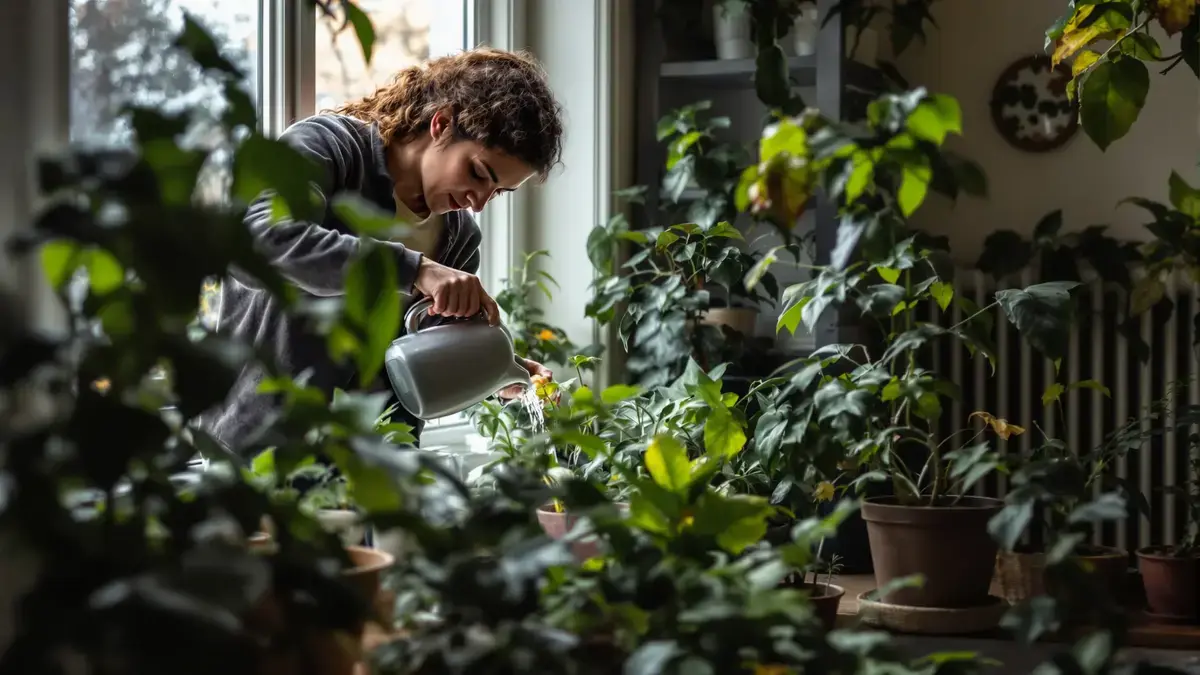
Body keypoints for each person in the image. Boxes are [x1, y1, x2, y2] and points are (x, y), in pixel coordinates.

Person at [203, 47, 565, 454]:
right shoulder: (330, 148)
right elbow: (259, 242)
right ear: (441, 123)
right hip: (265, 446)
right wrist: (413, 270)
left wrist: (496, 369)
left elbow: (420, 354)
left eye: (498, 192)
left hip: (379, 463)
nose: (479, 202)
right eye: (477, 173)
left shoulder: (459, 239)